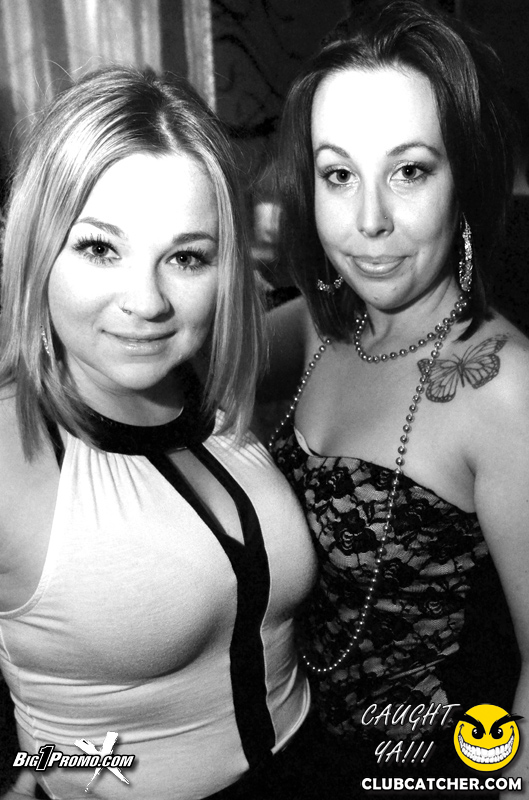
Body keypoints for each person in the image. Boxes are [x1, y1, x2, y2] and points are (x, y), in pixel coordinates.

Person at [0, 66, 317, 800]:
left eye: (185, 257)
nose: (146, 302)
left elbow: (337, 320)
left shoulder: (211, 382)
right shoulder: (11, 451)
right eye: (99, 248)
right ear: (37, 246)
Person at [266, 0, 529, 794]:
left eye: (409, 170)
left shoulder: (505, 389)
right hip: (291, 753)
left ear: (464, 178)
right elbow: (189, 360)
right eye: (338, 175)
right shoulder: (324, 325)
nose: (369, 221)